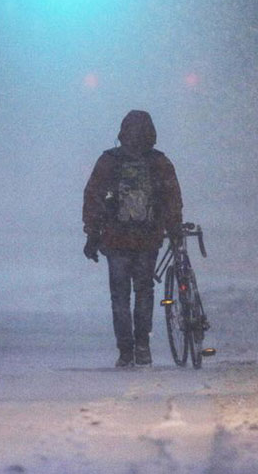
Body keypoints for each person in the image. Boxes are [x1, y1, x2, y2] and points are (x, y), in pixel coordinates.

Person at [82, 110, 183, 367]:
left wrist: (93, 235)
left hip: (115, 240)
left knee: (119, 296)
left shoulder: (109, 161)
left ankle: (125, 350)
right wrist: (173, 230)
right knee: (144, 292)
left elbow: (93, 196)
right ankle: (142, 346)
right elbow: (172, 199)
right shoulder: (159, 162)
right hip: (147, 240)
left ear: (122, 131)